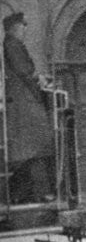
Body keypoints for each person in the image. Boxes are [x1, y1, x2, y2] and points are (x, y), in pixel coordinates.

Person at [3, 11, 56, 204]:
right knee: (35, 148)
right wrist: (39, 79)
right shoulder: (12, 44)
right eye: (22, 26)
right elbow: (24, 71)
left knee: (33, 150)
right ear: (13, 28)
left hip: (24, 102)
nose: (25, 29)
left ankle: (26, 194)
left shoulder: (13, 44)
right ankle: (32, 193)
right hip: (23, 104)